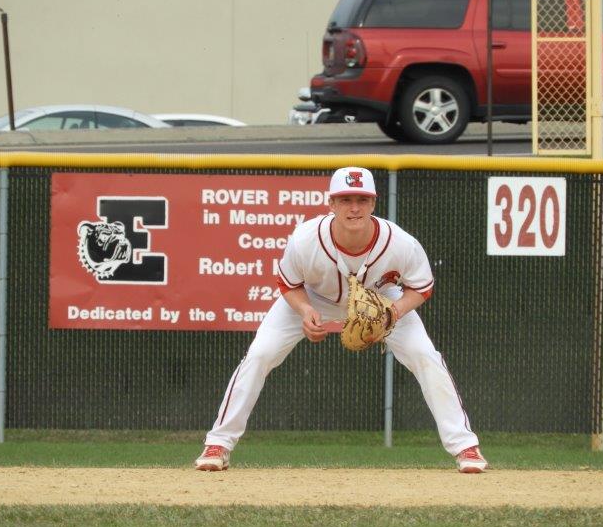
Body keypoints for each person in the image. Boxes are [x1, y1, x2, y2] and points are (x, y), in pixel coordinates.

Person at [195, 167, 487, 474]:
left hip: (381, 301)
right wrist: (306, 312)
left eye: (362, 199)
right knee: (260, 354)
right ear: (331, 204)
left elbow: (422, 287)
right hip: (314, 296)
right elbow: (289, 284)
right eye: (345, 199)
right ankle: (218, 444)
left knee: (425, 356)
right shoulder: (305, 239)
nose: (354, 207)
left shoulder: (400, 242)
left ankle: (465, 447)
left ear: (374, 203)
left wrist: (394, 312)